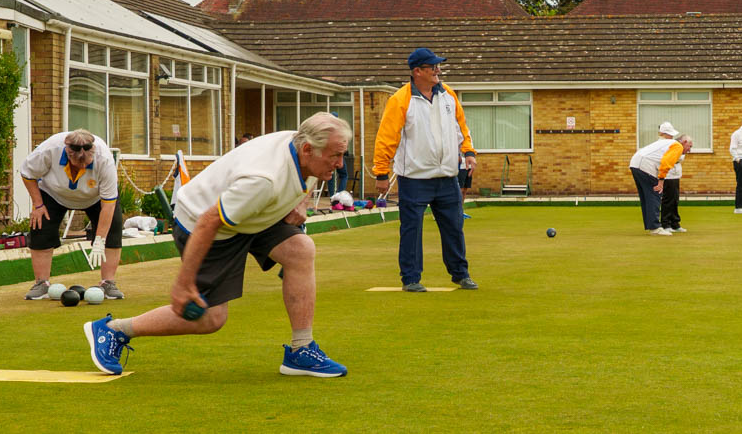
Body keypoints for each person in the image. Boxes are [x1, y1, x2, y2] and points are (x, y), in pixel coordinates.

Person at [83, 112, 350, 377]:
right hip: (204, 221)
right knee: (210, 318)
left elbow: (311, 168)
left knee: (300, 250)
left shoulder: (304, 147)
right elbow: (209, 221)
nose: (339, 164)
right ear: (307, 149)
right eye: (335, 156)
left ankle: (301, 350)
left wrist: (299, 201)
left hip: (253, 214)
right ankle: (114, 330)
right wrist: (184, 282)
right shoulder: (263, 179)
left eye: (342, 155)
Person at [373, 48, 478, 292]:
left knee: (454, 228)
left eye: (438, 66)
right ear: (417, 71)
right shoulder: (400, 99)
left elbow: (461, 127)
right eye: (433, 67)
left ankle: (460, 274)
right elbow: (386, 138)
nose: (438, 71)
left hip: (447, 178)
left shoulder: (448, 94)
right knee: (411, 230)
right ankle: (410, 278)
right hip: (414, 179)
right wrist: (381, 172)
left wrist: (469, 152)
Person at [20, 129, 125, 299]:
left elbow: (108, 205)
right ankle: (41, 283)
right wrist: (38, 205)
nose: (83, 167)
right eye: (78, 164)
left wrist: (99, 240)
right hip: (53, 192)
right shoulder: (49, 150)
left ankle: (108, 283)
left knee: (112, 228)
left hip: (95, 196)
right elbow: (27, 173)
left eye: (87, 163)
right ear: (68, 154)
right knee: (40, 228)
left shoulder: (104, 159)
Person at [629, 133, 693, 236]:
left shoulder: (668, 143)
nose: (689, 150)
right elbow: (666, 162)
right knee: (655, 194)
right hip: (645, 165)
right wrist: (661, 180)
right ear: (684, 142)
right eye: (690, 146)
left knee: (646, 197)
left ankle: (651, 225)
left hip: (635, 163)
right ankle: (655, 227)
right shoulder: (678, 146)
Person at [657, 122, 686, 233]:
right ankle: (665, 223)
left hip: (675, 174)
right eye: (669, 134)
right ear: (663, 133)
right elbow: (667, 159)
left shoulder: (673, 143)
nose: (672, 136)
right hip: (667, 175)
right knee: (667, 200)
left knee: (675, 199)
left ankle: (675, 223)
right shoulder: (660, 144)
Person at [457, 155, 472, 219]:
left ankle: (460, 212)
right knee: (460, 190)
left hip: (469, 166)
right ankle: (455, 212)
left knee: (465, 190)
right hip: (460, 167)